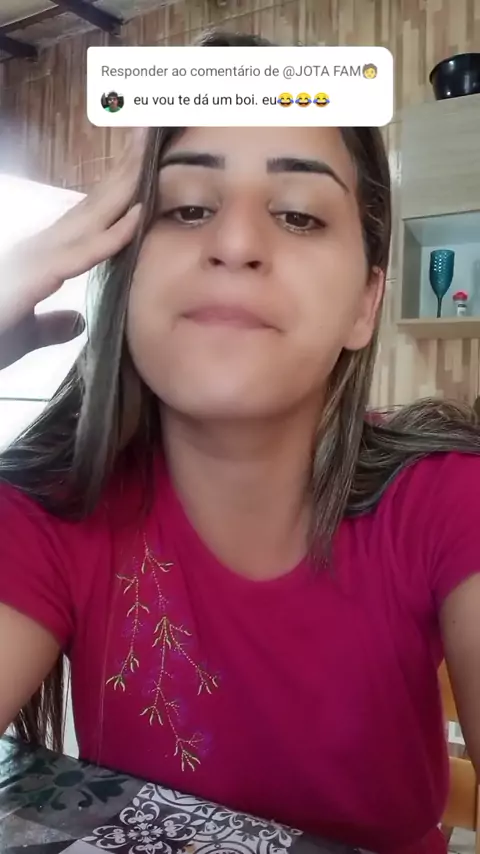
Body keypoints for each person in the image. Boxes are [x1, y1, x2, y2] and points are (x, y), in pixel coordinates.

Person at [1, 29, 480, 854]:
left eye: (298, 214)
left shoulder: (447, 496)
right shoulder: (55, 507)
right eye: (188, 207)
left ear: (365, 304)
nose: (234, 243)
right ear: (123, 267)